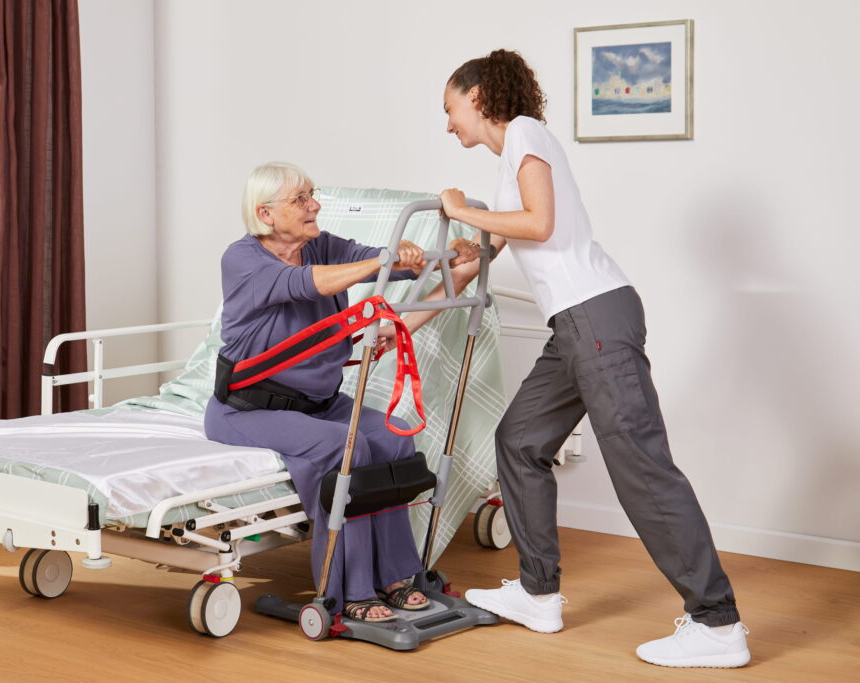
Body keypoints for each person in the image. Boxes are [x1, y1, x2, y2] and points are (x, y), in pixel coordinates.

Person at [389, 49, 750, 668]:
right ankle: (538, 594)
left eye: (450, 108)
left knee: (642, 468)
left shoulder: (526, 133)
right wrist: (396, 323)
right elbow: (477, 260)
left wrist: (458, 209)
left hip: (596, 317)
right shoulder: (511, 163)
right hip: (575, 326)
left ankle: (717, 624)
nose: (448, 124)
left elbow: (541, 223)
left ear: (477, 97)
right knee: (519, 439)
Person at [204, 162, 474, 622]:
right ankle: (347, 590)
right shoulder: (242, 259)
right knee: (344, 447)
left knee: (394, 437)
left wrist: (442, 258)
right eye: (300, 199)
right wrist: (384, 261)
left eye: (313, 194)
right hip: (248, 408)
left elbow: (386, 264)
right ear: (265, 213)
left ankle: (395, 576)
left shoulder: (320, 245)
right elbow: (306, 284)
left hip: (320, 404)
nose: (315, 205)